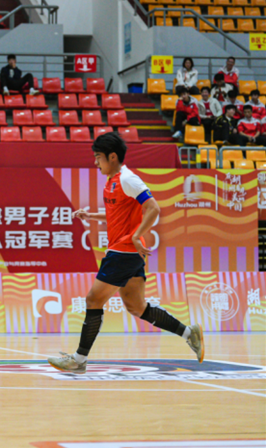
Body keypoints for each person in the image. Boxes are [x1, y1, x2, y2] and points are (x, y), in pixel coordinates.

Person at [47, 133, 203, 374]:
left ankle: (78, 360)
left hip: (123, 251)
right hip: (128, 253)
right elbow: (116, 215)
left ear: (112, 157)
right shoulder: (112, 180)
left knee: (93, 300)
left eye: (98, 157)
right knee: (137, 307)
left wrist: (136, 235)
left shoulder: (128, 179)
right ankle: (188, 332)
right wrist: (92, 216)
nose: (95, 162)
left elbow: (153, 208)